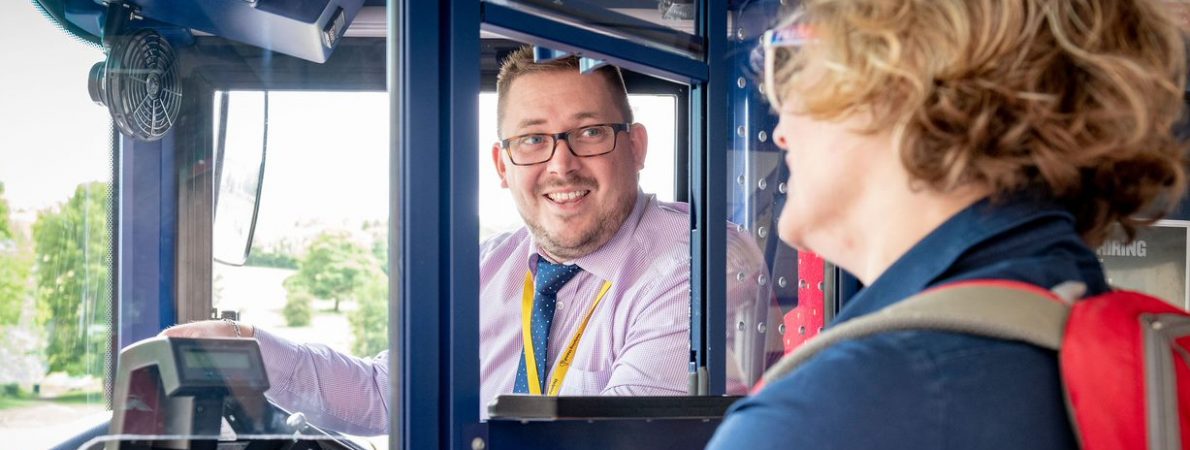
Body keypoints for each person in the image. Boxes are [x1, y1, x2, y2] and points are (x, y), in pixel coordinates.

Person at [164, 46, 777, 435]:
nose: (561, 166)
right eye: (533, 140)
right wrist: (246, 348)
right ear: (502, 164)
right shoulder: (490, 269)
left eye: (588, 133)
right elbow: (386, 392)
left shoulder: (700, 264)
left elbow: (618, 439)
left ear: (636, 147)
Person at [707, 0, 1186, 449]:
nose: (782, 128)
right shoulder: (1150, 356)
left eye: (797, 68)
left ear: (895, 82)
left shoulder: (815, 418)